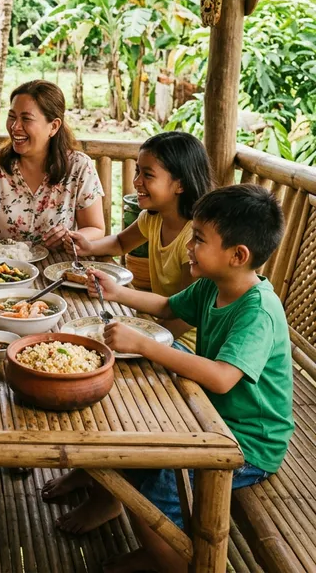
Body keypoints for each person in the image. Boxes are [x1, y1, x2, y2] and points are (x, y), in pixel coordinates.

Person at [55, 185, 294, 573]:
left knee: (159, 480)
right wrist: (118, 291)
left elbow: (221, 378)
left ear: (238, 256)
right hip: (210, 415)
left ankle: (169, 560)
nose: (189, 246)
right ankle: (132, 521)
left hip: (248, 443)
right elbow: (167, 306)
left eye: (199, 239)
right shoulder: (215, 285)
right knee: (130, 445)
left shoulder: (258, 312)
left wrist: (145, 345)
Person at [62, 131, 213, 351]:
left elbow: (185, 316)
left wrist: (145, 340)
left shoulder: (192, 239)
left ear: (179, 185)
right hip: (157, 323)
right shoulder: (153, 218)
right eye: (137, 171)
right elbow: (121, 244)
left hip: (186, 341)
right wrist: (89, 246)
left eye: (148, 175)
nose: (136, 181)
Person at [0, 80, 106, 248]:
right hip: (0, 270)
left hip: (57, 269)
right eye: (12, 116)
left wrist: (70, 236)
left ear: (54, 126)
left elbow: (95, 228)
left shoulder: (79, 167)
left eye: (26, 119)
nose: (15, 127)